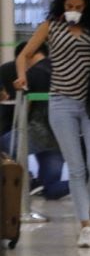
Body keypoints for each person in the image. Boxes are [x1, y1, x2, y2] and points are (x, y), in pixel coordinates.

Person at [15, 0, 90, 246]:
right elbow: (24, 55)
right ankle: (84, 224)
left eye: (78, 6)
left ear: (87, 7)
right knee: (75, 168)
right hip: (61, 102)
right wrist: (21, 77)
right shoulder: (51, 26)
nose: (73, 9)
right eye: (69, 5)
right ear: (62, 4)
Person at [0, 42, 69, 200]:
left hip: (37, 132)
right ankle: (85, 182)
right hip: (60, 135)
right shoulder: (60, 69)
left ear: (27, 55)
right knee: (51, 188)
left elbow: (25, 106)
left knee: (4, 144)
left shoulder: (32, 74)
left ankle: (28, 180)